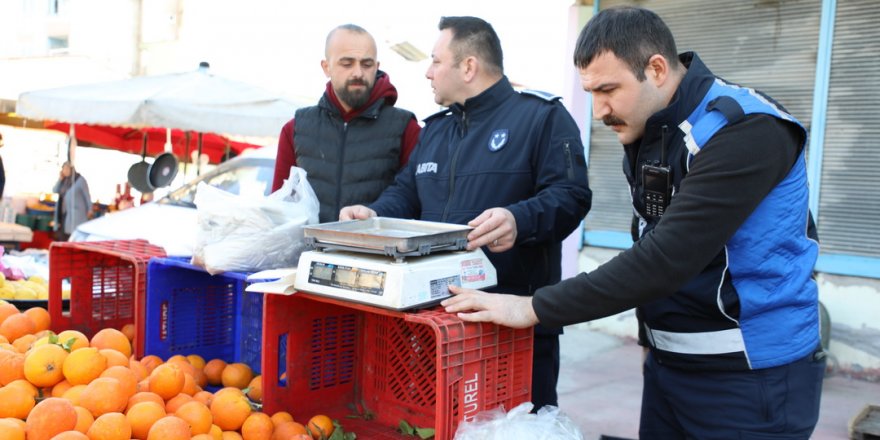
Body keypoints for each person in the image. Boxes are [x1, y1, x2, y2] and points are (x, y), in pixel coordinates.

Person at [442, 6, 824, 438]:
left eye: (608, 90)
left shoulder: (746, 130)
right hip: (670, 370)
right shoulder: (651, 130)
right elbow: (648, 237)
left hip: (751, 380)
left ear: (657, 69)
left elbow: (666, 257)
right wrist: (651, 341)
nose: (599, 109)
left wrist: (531, 306)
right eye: (591, 92)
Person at [340, 16, 592, 411]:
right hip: (437, 328)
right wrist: (371, 214)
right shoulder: (436, 130)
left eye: (436, 61)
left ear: (469, 66)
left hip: (514, 330)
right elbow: (406, 193)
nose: (428, 72)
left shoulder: (541, 117)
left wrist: (519, 220)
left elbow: (572, 195)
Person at [272, 23, 421, 223]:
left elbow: (414, 200)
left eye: (367, 64)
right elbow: (279, 207)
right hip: (309, 253)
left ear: (377, 67)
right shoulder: (295, 128)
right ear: (326, 67)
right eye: (347, 63)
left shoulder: (406, 128)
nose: (358, 73)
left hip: (378, 252)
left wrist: (376, 215)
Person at [52, 161, 91, 241]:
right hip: (64, 213)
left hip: (76, 213)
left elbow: (87, 196)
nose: (65, 171)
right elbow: (55, 190)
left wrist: (90, 209)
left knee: (73, 235)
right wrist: (60, 179)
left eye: (67, 169)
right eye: (63, 169)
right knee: (63, 234)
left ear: (71, 169)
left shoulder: (80, 180)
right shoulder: (64, 181)